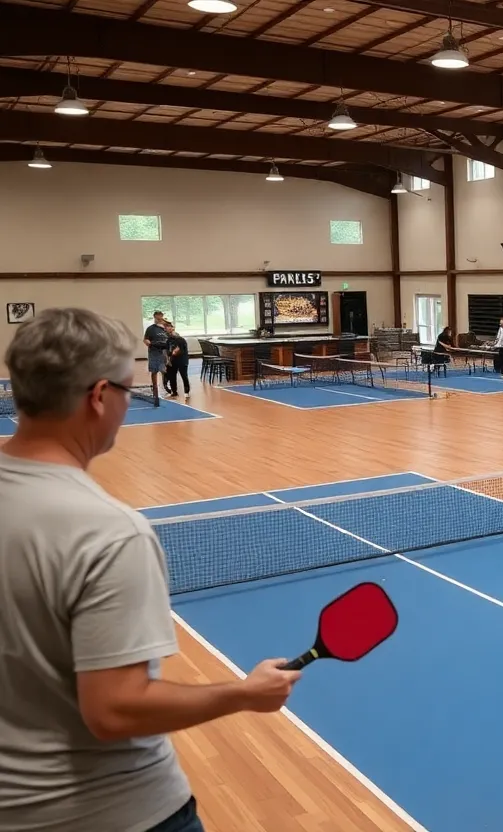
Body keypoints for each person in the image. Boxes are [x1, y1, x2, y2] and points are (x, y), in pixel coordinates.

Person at [0, 308, 302, 832]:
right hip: (120, 813)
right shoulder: (107, 532)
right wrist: (244, 693)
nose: (130, 401)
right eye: (128, 389)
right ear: (99, 397)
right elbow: (115, 711)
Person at [143, 309, 169, 396]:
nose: (159, 319)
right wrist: (148, 342)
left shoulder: (165, 328)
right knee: (154, 371)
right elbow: (145, 339)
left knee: (164, 370)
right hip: (154, 352)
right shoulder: (150, 329)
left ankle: (165, 385)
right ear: (154, 318)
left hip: (164, 352)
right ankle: (154, 387)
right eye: (157, 318)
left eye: (160, 318)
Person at [163, 321, 191, 399]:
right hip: (173, 361)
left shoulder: (181, 339)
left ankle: (186, 392)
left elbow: (180, 350)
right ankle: (174, 391)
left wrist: (175, 352)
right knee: (172, 376)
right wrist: (168, 359)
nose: (168, 331)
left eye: (170, 328)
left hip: (182, 360)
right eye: (166, 329)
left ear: (173, 329)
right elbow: (167, 351)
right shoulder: (168, 340)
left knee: (184, 376)